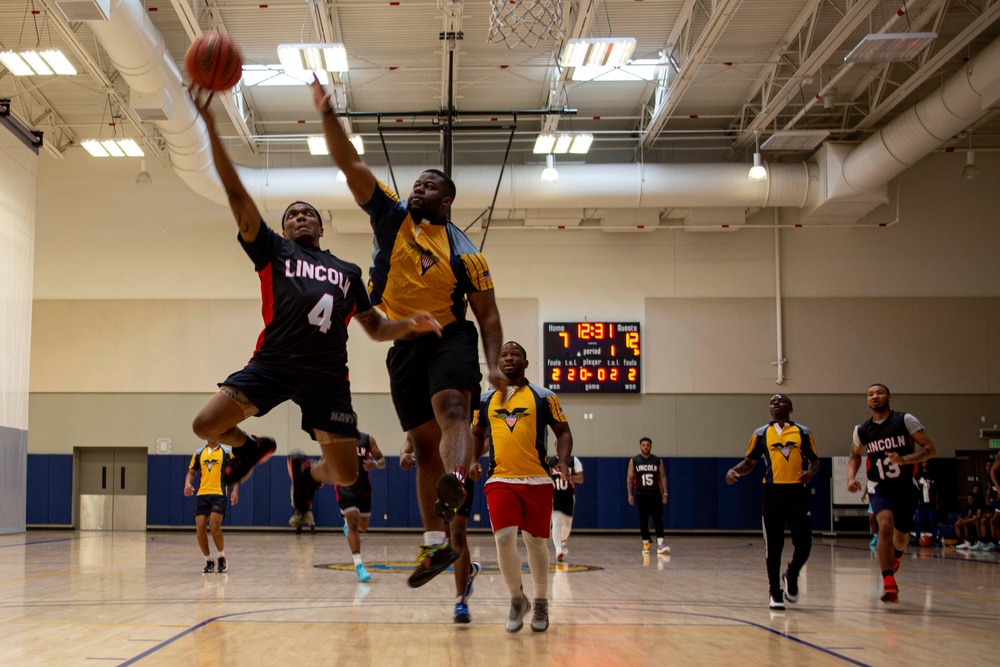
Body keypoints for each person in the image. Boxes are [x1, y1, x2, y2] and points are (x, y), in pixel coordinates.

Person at [187, 91, 442, 504]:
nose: (300, 217)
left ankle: (307, 474)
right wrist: (211, 129)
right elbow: (237, 195)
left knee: (344, 473)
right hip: (274, 363)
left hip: (326, 376)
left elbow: (376, 327)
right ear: (284, 229)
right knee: (205, 425)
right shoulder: (273, 251)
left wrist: (409, 326)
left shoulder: (347, 271)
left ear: (321, 229)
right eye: (292, 215)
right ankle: (250, 447)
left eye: (308, 214)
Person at [309, 77, 506, 588]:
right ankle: (436, 545)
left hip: (449, 336)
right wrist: (329, 115)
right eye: (416, 182)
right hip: (402, 344)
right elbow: (350, 165)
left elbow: (486, 315)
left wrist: (491, 363)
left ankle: (457, 483)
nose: (419, 187)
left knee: (454, 410)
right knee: (421, 447)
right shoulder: (392, 216)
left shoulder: (466, 253)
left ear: (447, 201)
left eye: (430, 185)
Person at [471, 341, 573, 633]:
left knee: (536, 543)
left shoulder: (545, 396)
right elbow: (477, 434)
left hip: (538, 480)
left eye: (515, 354)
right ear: (498, 362)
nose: (509, 358)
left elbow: (563, 432)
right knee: (503, 539)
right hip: (500, 478)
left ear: (526, 363)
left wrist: (563, 461)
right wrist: (473, 459)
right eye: (503, 354)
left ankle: (540, 601)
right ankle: (517, 599)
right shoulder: (486, 399)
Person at [726, 394, 820, 610]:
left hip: (797, 493)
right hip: (772, 494)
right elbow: (750, 462)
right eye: (772, 402)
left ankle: (792, 573)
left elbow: (815, 461)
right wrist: (733, 471)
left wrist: (810, 473)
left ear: (791, 407)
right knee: (774, 546)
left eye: (781, 401)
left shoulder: (803, 432)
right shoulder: (761, 434)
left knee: (804, 542)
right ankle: (774, 591)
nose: (776, 404)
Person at [847, 383, 937, 604]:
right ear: (867, 400)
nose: (875, 396)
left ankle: (896, 557)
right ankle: (888, 581)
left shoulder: (905, 420)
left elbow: (930, 449)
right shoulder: (862, 430)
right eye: (870, 394)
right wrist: (851, 477)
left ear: (889, 396)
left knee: (901, 538)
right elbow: (855, 455)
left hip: (906, 486)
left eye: (879, 393)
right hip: (880, 486)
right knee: (884, 525)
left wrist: (904, 459)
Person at [401, 436, 481, 623]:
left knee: (457, 534)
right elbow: (409, 441)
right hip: (433, 476)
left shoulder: (463, 409)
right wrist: (403, 453)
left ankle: (461, 601)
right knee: (447, 539)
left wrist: (473, 459)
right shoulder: (425, 414)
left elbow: (479, 438)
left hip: (459, 474)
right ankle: (467, 571)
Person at [294, 425, 385, 582]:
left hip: (363, 490)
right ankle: (359, 565)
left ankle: (345, 520)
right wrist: (320, 477)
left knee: (363, 526)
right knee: (354, 524)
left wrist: (375, 465)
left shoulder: (367, 439)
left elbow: (381, 460)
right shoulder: (335, 442)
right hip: (345, 488)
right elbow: (324, 461)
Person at [184, 441, 239, 574]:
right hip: (202, 494)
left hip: (219, 494)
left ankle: (221, 557)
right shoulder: (198, 453)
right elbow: (191, 473)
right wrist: (187, 483)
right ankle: (208, 560)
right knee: (200, 527)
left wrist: (235, 491)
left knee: (214, 525)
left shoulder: (227, 453)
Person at [627, 437, 670, 555]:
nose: (645, 447)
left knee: (657, 518)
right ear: (640, 446)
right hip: (641, 493)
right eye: (643, 445)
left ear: (651, 446)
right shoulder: (634, 460)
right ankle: (645, 542)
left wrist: (665, 492)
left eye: (647, 445)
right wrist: (629, 493)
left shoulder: (657, 460)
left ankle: (660, 543)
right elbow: (630, 478)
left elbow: (662, 477)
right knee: (643, 519)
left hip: (655, 493)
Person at [548, 454, 583, 562]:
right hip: (555, 496)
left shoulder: (573, 460)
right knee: (556, 522)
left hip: (568, 496)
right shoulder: (550, 461)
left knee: (567, 526)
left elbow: (581, 479)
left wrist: (569, 477)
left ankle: (563, 542)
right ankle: (558, 550)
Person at [912, 460, 940, 547]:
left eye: (927, 462)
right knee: (918, 521)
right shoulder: (918, 475)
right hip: (921, 503)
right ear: (921, 464)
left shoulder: (934, 475)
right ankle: (916, 539)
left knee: (933, 521)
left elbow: (936, 490)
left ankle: (935, 539)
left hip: (931, 503)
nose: (925, 463)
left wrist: (936, 502)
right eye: (924, 462)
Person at [954, 483, 985, 550]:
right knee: (957, 523)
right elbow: (969, 514)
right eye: (974, 489)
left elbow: (978, 516)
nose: (975, 491)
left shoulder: (981, 500)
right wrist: (962, 519)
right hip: (974, 519)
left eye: (977, 489)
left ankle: (980, 541)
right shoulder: (971, 502)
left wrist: (965, 520)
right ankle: (961, 541)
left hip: (980, 519)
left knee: (972, 522)